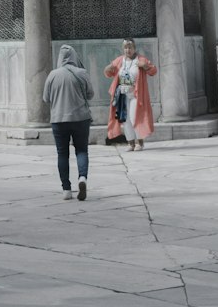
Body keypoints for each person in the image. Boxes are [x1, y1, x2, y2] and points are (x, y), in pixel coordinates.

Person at [42, 44, 93, 200]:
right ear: (74, 57)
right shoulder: (82, 73)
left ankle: (66, 190)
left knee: (62, 153)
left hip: (59, 120)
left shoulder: (52, 75)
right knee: (81, 150)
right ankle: (82, 178)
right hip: (80, 119)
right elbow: (90, 94)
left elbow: (46, 98)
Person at [104, 38, 157, 150]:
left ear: (134, 48)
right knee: (124, 118)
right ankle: (130, 142)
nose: (128, 50)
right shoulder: (119, 60)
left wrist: (145, 66)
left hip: (136, 94)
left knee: (134, 117)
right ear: (123, 49)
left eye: (130, 47)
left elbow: (153, 71)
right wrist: (108, 69)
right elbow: (109, 73)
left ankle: (140, 142)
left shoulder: (141, 59)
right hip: (122, 95)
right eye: (126, 47)